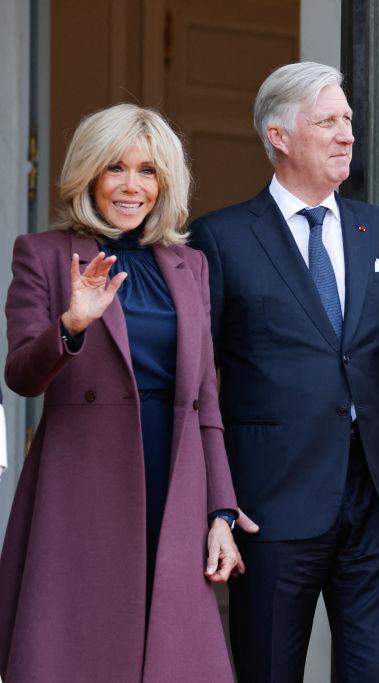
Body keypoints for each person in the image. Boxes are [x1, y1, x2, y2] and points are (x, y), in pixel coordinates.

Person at [188, 61, 379, 682]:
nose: (347, 133)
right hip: (270, 500)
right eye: (328, 121)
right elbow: (198, 382)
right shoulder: (219, 239)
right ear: (278, 135)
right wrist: (213, 499)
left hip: (373, 501)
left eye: (348, 120)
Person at [0, 103, 241, 681]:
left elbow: (206, 401)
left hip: (174, 475)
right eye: (116, 168)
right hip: (83, 481)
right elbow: (21, 376)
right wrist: (71, 327)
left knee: (176, 655)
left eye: (149, 170)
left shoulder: (191, 265)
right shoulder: (45, 254)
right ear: (89, 174)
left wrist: (222, 512)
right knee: (81, 650)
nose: (132, 186)